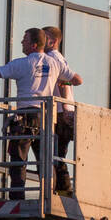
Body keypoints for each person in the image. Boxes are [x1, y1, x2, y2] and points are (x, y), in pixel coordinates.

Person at [0, 29, 81, 200]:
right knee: (46, 161)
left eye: (24, 40)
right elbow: (77, 80)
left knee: (19, 159)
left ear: (34, 45)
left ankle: (17, 196)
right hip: (45, 119)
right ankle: (51, 196)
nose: (22, 42)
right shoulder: (55, 63)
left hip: (25, 116)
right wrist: (57, 79)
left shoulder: (21, 64)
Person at [42, 26, 75, 193]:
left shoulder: (53, 57)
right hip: (61, 110)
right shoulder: (54, 57)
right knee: (57, 155)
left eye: (44, 37)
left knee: (55, 154)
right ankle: (63, 191)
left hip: (60, 113)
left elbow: (65, 81)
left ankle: (62, 190)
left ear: (53, 41)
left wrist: (65, 108)